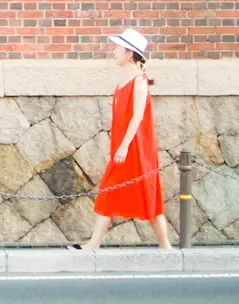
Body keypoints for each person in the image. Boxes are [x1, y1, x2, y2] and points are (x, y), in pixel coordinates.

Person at [69, 27, 173, 250]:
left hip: (136, 149)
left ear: (129, 54)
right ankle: (94, 243)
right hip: (122, 147)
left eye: (118, 48)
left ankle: (166, 246)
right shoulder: (122, 83)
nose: (114, 51)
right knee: (109, 191)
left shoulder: (139, 81)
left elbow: (137, 116)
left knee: (147, 195)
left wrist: (124, 146)